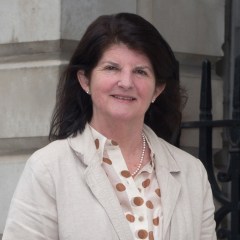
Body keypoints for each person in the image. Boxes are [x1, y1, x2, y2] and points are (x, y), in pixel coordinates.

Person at [2, 13, 216, 240]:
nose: (126, 82)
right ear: (85, 80)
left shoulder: (192, 173)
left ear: (157, 89)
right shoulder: (48, 169)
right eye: (112, 68)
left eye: (140, 71)